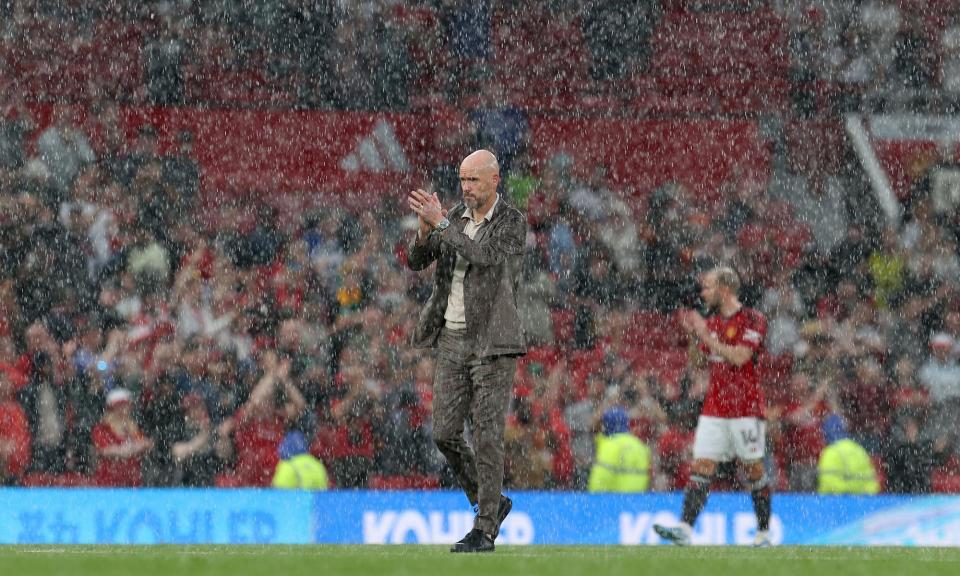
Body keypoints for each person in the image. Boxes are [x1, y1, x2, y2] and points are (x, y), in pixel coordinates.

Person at [406, 149, 527, 553]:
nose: (466, 188)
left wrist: (441, 223)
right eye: (462, 180)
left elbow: (484, 258)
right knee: (443, 432)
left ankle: (485, 527)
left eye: (473, 180)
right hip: (453, 338)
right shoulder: (454, 217)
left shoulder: (512, 222)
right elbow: (416, 261)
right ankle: (492, 501)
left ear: (495, 180)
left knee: (488, 433)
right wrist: (425, 230)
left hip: (493, 341)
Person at [654, 266, 772, 547]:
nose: (702, 293)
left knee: (753, 469)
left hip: (746, 409)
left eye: (707, 287)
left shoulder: (753, 319)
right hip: (715, 408)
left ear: (725, 289)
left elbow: (740, 357)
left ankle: (764, 532)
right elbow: (699, 362)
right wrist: (694, 336)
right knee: (702, 465)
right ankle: (685, 528)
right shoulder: (714, 323)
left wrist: (706, 335)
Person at [587, 407, 651, 493]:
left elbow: (600, 478)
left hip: (613, 501)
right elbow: (647, 477)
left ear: (605, 426)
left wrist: (593, 500)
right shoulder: (640, 445)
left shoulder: (609, 445)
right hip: (637, 501)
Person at [817, 414, 880, 494]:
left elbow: (828, 484)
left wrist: (847, 495)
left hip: (833, 503)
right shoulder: (859, 449)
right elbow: (872, 483)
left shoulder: (830, 452)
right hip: (863, 502)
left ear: (825, 434)